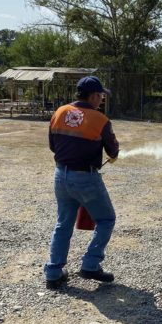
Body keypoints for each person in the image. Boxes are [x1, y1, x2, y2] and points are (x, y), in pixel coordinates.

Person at [44, 75, 119, 290]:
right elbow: (112, 150)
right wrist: (113, 155)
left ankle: (53, 273)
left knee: (63, 224)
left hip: (60, 176)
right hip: (86, 178)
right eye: (101, 96)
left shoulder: (59, 112)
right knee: (106, 219)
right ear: (93, 95)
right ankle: (90, 264)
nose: (102, 100)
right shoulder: (100, 119)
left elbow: (53, 146)